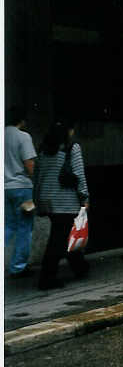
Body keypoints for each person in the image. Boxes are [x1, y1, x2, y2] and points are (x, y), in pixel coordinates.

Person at [34, 119, 90, 290]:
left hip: (47, 200)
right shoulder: (71, 148)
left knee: (63, 234)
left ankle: (80, 267)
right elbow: (79, 174)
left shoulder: (43, 149)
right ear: (69, 131)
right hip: (65, 201)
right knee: (58, 239)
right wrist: (85, 197)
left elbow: (37, 176)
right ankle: (47, 278)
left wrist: (36, 198)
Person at [5, 106, 37, 278]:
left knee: (8, 226)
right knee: (25, 228)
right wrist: (36, 182)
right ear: (22, 120)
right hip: (22, 188)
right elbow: (29, 164)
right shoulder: (23, 137)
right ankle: (18, 267)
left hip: (4, 188)